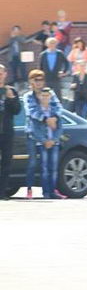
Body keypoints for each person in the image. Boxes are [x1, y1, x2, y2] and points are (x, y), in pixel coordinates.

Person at [23, 69, 63, 199]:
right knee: (33, 163)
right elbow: (32, 112)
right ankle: (29, 189)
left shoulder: (50, 93)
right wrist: (46, 119)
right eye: (36, 80)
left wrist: (54, 118)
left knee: (50, 165)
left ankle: (51, 191)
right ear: (31, 81)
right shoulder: (28, 96)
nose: (39, 82)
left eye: (41, 80)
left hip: (50, 133)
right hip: (33, 133)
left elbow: (59, 107)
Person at [0, 64, 21, 200]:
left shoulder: (11, 90)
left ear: (5, 74)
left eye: (1, 73)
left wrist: (11, 98)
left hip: (7, 133)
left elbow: (17, 110)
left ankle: (2, 192)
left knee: (6, 163)